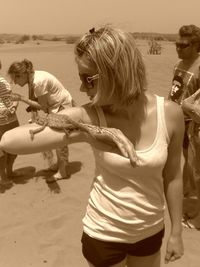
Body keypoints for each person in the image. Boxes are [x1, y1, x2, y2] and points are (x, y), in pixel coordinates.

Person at [0, 26, 184, 266]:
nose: (82, 88)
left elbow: (173, 176)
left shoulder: (170, 114)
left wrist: (177, 232)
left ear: (116, 73)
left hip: (150, 231)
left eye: (89, 79)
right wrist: (93, 132)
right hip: (104, 234)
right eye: (81, 79)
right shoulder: (90, 116)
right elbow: (9, 141)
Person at [7, 59, 75, 180]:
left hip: (61, 106)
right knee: (57, 139)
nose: (15, 83)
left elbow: (43, 106)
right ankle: (60, 165)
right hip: (56, 106)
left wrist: (21, 98)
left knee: (59, 139)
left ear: (22, 74)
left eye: (15, 79)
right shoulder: (34, 78)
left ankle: (62, 171)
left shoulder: (38, 82)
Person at [168, 24, 200, 222]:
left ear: (197, 46)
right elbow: (175, 92)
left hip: (193, 128)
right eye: (177, 44)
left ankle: (197, 215)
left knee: (195, 169)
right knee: (186, 168)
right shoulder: (178, 65)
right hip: (177, 122)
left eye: (183, 45)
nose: (178, 48)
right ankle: (189, 197)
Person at [0, 61, 19, 187]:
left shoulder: (3, 82)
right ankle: (3, 177)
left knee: (15, 148)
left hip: (12, 120)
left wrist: (14, 106)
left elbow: (12, 97)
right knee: (1, 153)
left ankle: (10, 171)